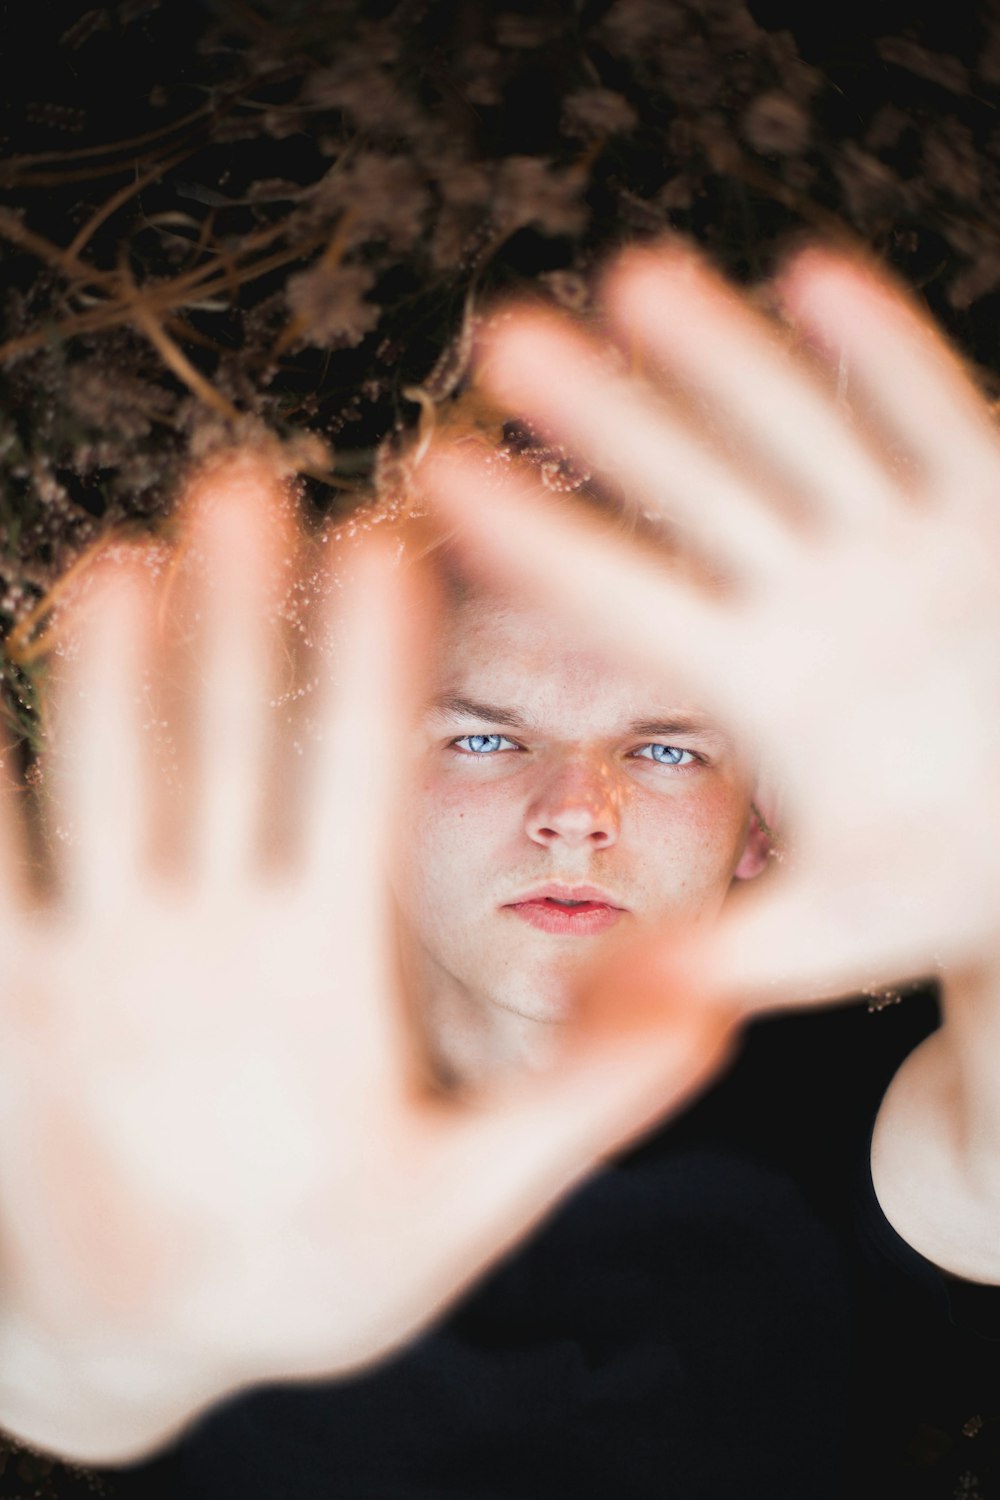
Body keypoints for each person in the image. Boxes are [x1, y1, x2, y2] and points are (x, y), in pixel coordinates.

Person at [0, 242, 998, 1496]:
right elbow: (60, 1361)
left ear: (761, 829)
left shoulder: (853, 1127)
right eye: (482, 737)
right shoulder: (216, 1106)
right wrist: (110, 1361)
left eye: (668, 748)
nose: (575, 813)